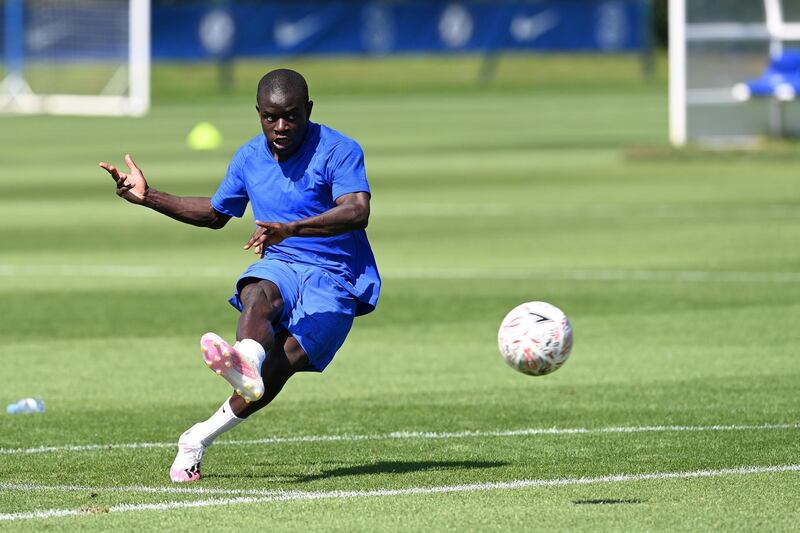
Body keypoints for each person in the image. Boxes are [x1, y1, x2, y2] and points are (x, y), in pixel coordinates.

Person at [99, 69, 380, 483]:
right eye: (271, 117)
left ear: (309, 110)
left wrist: (293, 227)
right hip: (281, 261)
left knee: (280, 368)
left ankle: (197, 438)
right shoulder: (249, 157)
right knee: (259, 291)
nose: (281, 126)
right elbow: (215, 214)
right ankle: (245, 357)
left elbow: (358, 210)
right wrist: (148, 196)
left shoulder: (339, 149)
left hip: (336, 277)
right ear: (258, 114)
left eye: (291, 116)